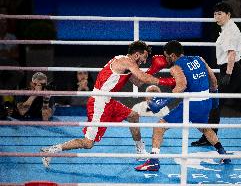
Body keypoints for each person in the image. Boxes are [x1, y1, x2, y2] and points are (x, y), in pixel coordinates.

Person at [40, 40, 175, 168]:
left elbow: (138, 82)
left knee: (133, 116)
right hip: (99, 103)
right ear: (136, 54)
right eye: (144, 57)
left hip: (108, 100)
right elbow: (144, 78)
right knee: (88, 143)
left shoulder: (126, 63)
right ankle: (51, 150)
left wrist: (153, 69)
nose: (145, 61)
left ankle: (140, 151)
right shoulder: (126, 61)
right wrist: (168, 81)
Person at [135, 40, 230, 171]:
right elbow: (213, 80)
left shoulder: (175, 67)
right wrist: (215, 100)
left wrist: (164, 101)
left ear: (173, 55)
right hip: (206, 101)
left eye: (167, 57)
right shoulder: (199, 59)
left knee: (159, 127)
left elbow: (181, 85)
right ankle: (223, 152)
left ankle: (153, 161)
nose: (166, 60)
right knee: (204, 128)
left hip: (191, 104)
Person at [191, 2, 241, 147]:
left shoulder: (229, 30)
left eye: (220, 13)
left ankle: (209, 137)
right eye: (215, 14)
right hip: (235, 71)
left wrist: (227, 74)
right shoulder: (228, 28)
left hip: (231, 71)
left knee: (215, 103)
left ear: (228, 14)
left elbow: (231, 54)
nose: (217, 16)